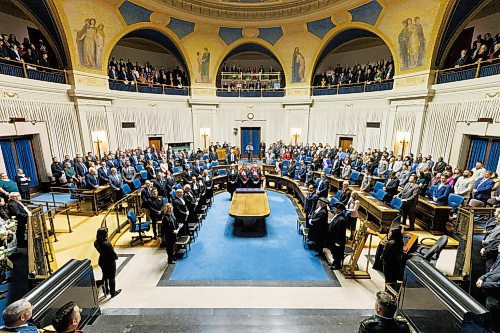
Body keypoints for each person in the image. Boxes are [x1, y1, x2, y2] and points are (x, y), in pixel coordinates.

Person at [476, 244, 500, 330]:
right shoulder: (499, 257)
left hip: (496, 297)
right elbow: (492, 271)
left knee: (495, 323)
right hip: (490, 293)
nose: (498, 246)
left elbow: (498, 285)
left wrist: (483, 284)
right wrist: (482, 278)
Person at [94, 227, 121, 298]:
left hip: (102, 261)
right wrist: (116, 257)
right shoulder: (106, 244)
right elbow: (112, 254)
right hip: (110, 262)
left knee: (105, 275)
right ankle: (113, 293)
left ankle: (106, 290)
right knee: (112, 277)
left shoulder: (96, 242)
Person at [325, 202, 347, 270]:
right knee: (334, 252)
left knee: (337, 253)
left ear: (340, 210)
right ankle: (335, 262)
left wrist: (338, 242)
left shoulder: (342, 220)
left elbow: (341, 233)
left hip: (338, 240)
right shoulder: (337, 215)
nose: (334, 209)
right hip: (333, 238)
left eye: (335, 208)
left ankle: (338, 265)